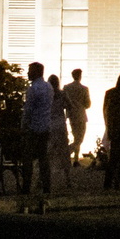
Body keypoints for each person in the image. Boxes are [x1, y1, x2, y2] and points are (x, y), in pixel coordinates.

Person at [21, 62, 55, 194]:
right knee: (43, 159)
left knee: (28, 159)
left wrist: (24, 126)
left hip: (33, 128)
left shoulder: (33, 89)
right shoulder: (48, 87)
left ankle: (26, 187)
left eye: (30, 70)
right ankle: (47, 186)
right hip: (45, 126)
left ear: (36, 72)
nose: (28, 73)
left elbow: (28, 110)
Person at [62, 68, 92, 166]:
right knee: (80, 138)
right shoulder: (84, 89)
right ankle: (68, 153)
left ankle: (75, 159)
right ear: (80, 76)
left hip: (71, 115)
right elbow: (87, 104)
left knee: (76, 136)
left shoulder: (66, 88)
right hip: (81, 115)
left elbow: (64, 103)